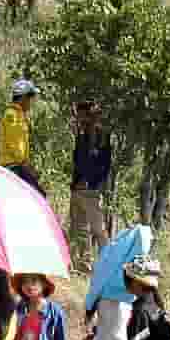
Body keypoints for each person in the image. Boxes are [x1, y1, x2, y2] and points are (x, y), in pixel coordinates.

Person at [68, 104, 113, 270]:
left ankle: (108, 265)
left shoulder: (101, 136)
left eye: (82, 116)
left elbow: (103, 164)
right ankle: (84, 265)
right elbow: (78, 161)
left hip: (91, 190)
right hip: (78, 189)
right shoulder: (82, 134)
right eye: (78, 116)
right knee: (80, 228)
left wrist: (91, 182)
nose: (79, 120)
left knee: (98, 229)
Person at [0, 78, 40, 191]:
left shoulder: (19, 114)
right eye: (30, 98)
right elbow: (15, 146)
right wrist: (27, 167)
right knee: (38, 195)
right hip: (13, 167)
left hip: (19, 166)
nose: (31, 102)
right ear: (23, 98)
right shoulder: (12, 115)